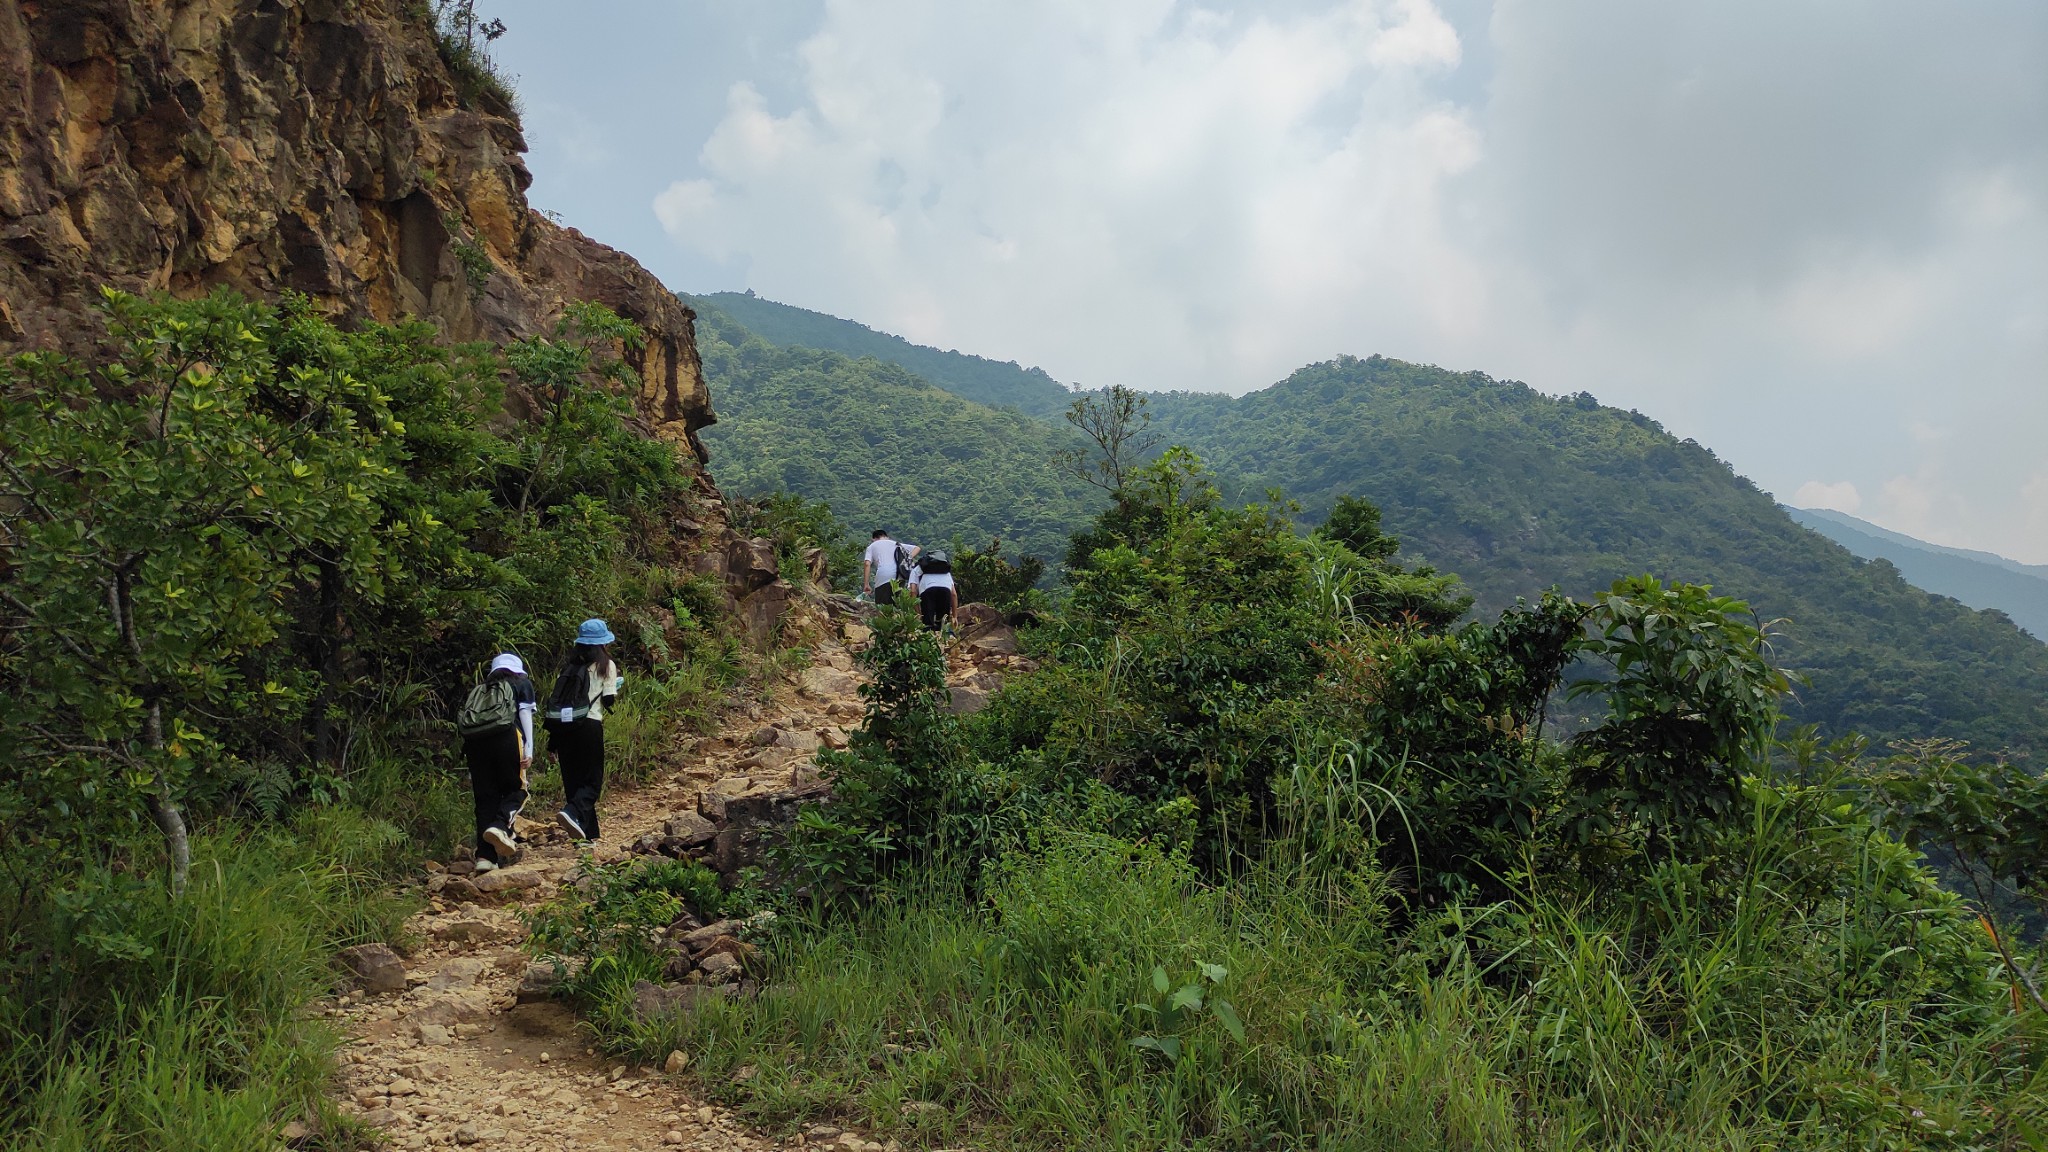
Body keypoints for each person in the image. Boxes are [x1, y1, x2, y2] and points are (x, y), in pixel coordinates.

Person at [545, 618, 625, 844]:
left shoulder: (570, 667)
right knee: (591, 782)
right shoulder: (606, 665)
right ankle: (572, 813)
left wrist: (553, 743)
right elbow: (608, 701)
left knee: (573, 780)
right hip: (589, 725)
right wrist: (615, 686)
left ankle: (586, 835)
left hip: (564, 728)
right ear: (602, 644)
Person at [459, 652, 535, 873]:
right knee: (518, 790)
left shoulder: (481, 690)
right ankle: (501, 826)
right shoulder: (521, 683)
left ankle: (485, 857)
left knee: (485, 799)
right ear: (516, 670)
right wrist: (529, 748)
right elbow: (525, 713)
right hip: (508, 738)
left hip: (476, 745)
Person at [862, 529, 920, 607]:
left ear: (874, 539)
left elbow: (867, 564)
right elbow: (917, 548)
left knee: (883, 607)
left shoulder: (872, 546)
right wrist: (907, 559)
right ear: (887, 537)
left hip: (883, 577)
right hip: (899, 576)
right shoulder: (896, 544)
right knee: (896, 605)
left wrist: (866, 584)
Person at [913, 549, 958, 632]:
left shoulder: (918, 568)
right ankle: (946, 641)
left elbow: (912, 592)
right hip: (945, 591)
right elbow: (954, 594)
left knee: (927, 625)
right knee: (943, 623)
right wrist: (955, 616)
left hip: (927, 591)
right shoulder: (945, 570)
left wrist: (918, 614)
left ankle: (930, 641)